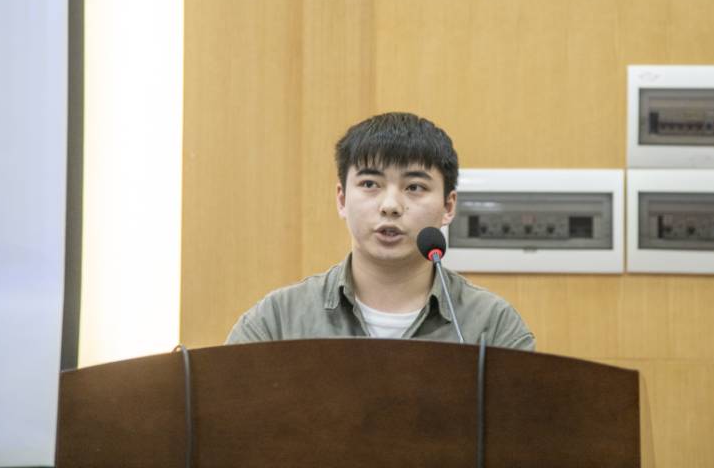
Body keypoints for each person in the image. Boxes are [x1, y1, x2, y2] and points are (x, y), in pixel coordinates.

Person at [226, 112, 535, 350]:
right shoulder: (279, 321)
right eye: (370, 184)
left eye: (414, 187)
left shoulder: (492, 326)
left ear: (448, 206)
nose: (390, 206)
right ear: (342, 199)